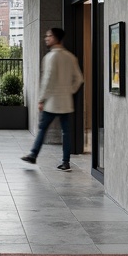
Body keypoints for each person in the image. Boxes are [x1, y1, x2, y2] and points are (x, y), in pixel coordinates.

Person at [21, 26, 84, 170]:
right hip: (66, 102)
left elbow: (47, 80)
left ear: (55, 38)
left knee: (43, 128)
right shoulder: (71, 57)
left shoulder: (50, 57)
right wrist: (69, 91)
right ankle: (66, 162)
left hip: (52, 102)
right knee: (66, 132)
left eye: (48, 36)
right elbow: (79, 79)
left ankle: (33, 155)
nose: (46, 38)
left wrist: (41, 99)